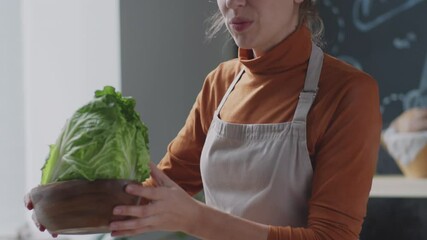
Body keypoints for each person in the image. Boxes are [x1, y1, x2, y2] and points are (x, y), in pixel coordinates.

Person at [26, 0, 382, 239]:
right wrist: (65, 204)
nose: (234, 2)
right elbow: (157, 190)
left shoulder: (347, 92)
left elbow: (331, 237)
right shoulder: (222, 82)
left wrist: (196, 219)